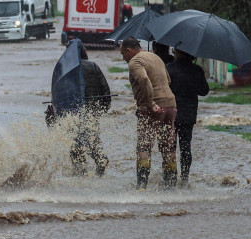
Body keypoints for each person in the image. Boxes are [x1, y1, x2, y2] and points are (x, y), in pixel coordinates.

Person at [119, 36, 177, 189]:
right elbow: (168, 80)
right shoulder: (156, 57)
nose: (123, 58)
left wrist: (151, 103)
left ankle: (141, 187)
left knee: (144, 147)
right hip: (171, 105)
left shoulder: (135, 62)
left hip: (152, 108)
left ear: (128, 50)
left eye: (123, 54)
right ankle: (170, 186)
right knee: (168, 146)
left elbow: (144, 80)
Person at [166, 48, 210, 186]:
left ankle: (170, 179)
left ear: (178, 52)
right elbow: (204, 91)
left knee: (169, 148)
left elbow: (162, 88)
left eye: (174, 50)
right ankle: (184, 179)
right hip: (188, 115)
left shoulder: (168, 68)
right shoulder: (196, 70)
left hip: (171, 114)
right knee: (186, 148)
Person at [71, 44, 111, 176]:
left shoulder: (69, 70)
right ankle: (100, 159)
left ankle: (80, 171)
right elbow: (104, 87)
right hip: (93, 108)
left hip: (75, 110)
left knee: (76, 139)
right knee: (92, 135)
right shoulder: (93, 66)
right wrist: (105, 106)